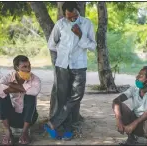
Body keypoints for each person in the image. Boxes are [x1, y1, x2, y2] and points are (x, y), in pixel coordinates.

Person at [46, 1, 96, 140]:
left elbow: (92, 46)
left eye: (74, 16)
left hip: (79, 66)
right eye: (69, 16)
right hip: (62, 65)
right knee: (62, 98)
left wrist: (80, 35)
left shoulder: (86, 24)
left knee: (76, 96)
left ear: (78, 10)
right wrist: (63, 52)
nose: (72, 19)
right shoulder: (60, 24)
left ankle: (54, 123)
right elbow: (52, 44)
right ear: (64, 14)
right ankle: (67, 130)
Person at [0, 55, 41, 145]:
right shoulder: (9, 77)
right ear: (16, 68)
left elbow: (35, 91)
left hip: (29, 118)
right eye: (24, 67)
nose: (28, 69)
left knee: (30, 95)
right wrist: (21, 88)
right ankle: (8, 131)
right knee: (0, 95)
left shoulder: (35, 79)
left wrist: (12, 86)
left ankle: (24, 132)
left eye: (29, 66)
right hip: (11, 117)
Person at [112, 66, 147, 145]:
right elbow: (116, 101)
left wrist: (134, 123)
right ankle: (131, 139)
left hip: (145, 127)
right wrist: (119, 120)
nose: (137, 77)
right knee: (118, 105)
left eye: (141, 75)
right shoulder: (134, 89)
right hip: (133, 125)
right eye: (138, 74)